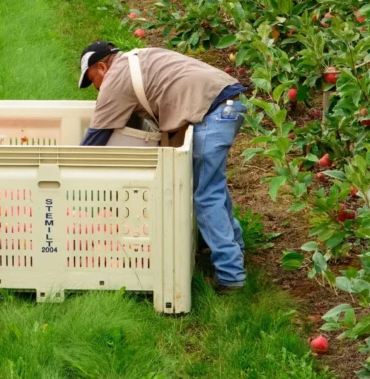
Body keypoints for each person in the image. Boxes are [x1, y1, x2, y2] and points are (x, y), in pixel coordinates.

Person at [78, 40, 248, 293]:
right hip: (229, 104)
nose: (96, 88)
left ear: (102, 67)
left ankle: (230, 275)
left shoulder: (115, 79)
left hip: (215, 114)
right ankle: (236, 249)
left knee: (205, 195)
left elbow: (96, 138)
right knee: (211, 186)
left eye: (93, 80)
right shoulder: (140, 58)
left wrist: (73, 174)